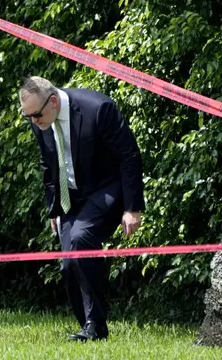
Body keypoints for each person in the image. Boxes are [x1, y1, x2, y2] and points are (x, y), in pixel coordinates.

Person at [20, 76, 144, 341]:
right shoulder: (40, 118)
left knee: (81, 238)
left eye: (36, 115)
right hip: (71, 197)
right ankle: (87, 325)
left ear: (53, 101)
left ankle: (96, 326)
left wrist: (132, 208)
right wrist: (54, 208)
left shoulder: (97, 108)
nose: (33, 122)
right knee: (69, 265)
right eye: (27, 116)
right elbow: (47, 163)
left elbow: (129, 156)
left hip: (107, 188)